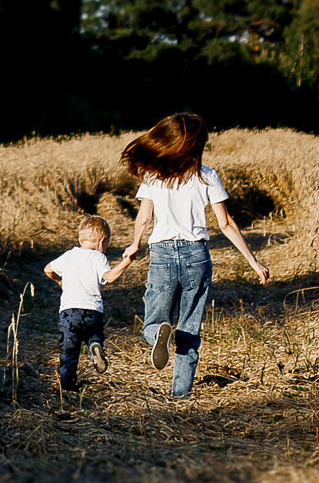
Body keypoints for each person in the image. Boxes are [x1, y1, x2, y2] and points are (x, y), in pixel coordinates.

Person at [113, 111, 267, 398]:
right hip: (196, 255)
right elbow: (225, 224)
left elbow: (144, 217)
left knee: (153, 321)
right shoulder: (207, 176)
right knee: (190, 328)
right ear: (197, 144)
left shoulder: (152, 175)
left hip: (161, 254)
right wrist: (252, 260)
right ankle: (180, 395)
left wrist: (134, 245)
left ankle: (160, 332)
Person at [43, 215, 127, 391]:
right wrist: (127, 260)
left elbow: (48, 269)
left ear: (81, 238)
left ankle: (66, 387)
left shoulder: (69, 255)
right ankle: (95, 344)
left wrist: (59, 281)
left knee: (68, 352)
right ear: (102, 241)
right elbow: (110, 278)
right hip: (92, 311)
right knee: (93, 333)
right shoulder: (98, 258)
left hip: (69, 312)